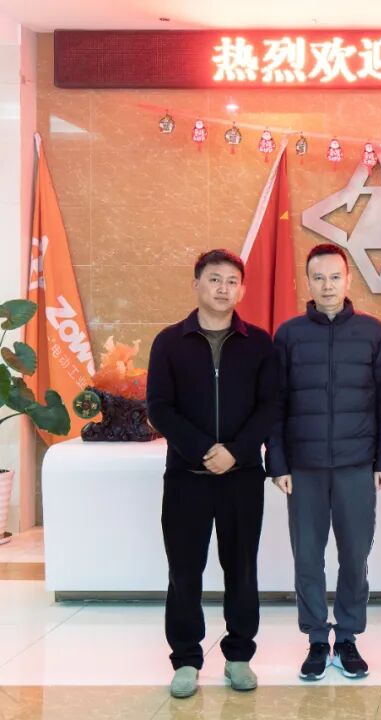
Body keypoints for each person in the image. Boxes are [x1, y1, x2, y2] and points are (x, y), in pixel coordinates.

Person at [147, 249, 279, 699]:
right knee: (184, 571)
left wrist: (236, 452)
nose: (224, 288)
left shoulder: (259, 343)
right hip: (187, 477)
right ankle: (186, 659)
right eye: (214, 279)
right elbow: (159, 407)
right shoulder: (169, 342)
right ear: (197, 285)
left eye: (232, 281)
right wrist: (205, 450)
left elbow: (271, 405)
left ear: (241, 289)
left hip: (242, 478)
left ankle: (239, 656)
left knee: (241, 569)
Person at [266, 243, 381, 682]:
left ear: (348, 280)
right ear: (308, 281)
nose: (327, 286)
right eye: (319, 278)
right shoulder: (288, 335)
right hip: (303, 467)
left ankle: (348, 637)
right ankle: (317, 639)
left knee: (355, 556)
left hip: (357, 464)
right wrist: (278, 463)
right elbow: (275, 404)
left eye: (335, 277)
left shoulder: (372, 332)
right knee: (308, 558)